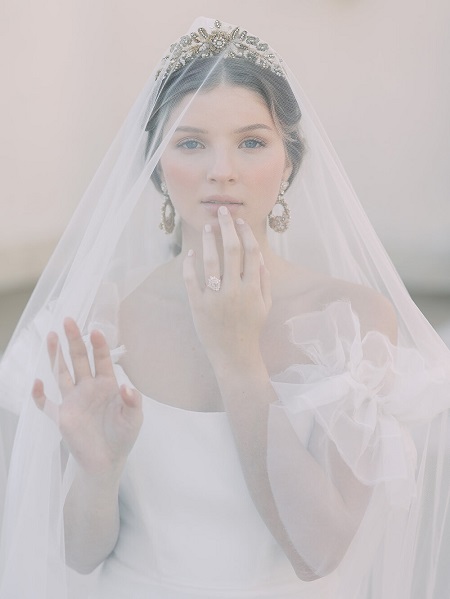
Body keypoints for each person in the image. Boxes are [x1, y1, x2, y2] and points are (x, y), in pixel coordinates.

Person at [0, 17, 450, 599]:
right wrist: (98, 469)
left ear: (289, 161)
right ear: (157, 165)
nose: (222, 171)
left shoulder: (352, 322)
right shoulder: (102, 321)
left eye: (252, 142)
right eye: (190, 142)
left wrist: (238, 357)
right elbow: (80, 556)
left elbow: (318, 553)